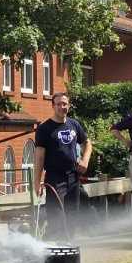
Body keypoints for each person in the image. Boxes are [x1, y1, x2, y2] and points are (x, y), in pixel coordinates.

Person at [34, 92, 91, 238]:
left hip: (73, 176)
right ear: (53, 106)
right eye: (58, 104)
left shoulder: (74, 124)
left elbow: (87, 143)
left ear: (68, 106)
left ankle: (69, 247)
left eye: (64, 104)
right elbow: (39, 157)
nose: (62, 107)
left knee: (73, 215)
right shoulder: (44, 129)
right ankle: (55, 246)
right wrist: (37, 182)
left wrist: (85, 160)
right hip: (54, 177)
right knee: (56, 215)